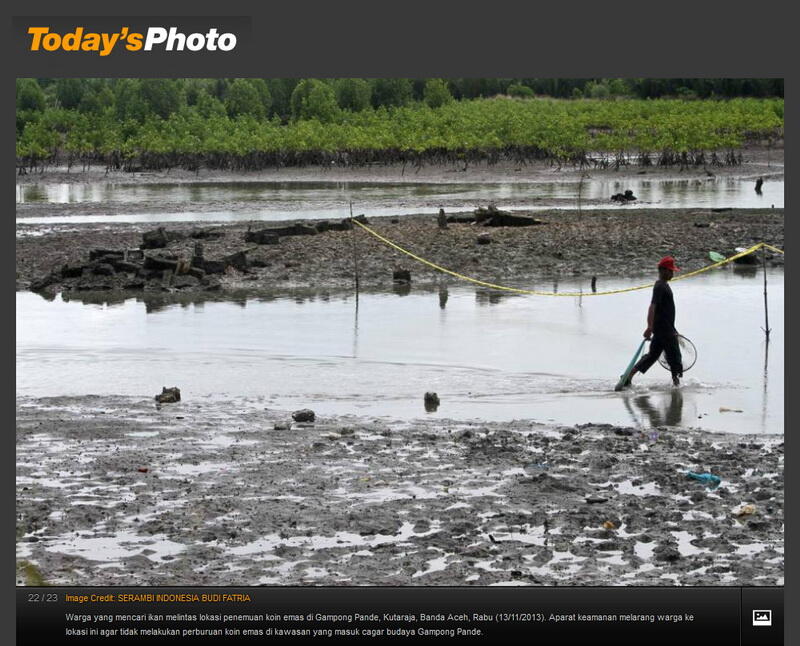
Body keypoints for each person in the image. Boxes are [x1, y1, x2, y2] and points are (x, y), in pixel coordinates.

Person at [617, 256, 683, 390]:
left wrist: (672, 328)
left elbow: (664, 311)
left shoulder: (664, 285)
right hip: (663, 330)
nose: (672, 274)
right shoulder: (660, 286)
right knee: (674, 357)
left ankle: (628, 376)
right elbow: (652, 307)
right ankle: (677, 388)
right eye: (670, 271)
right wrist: (649, 327)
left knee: (652, 355)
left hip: (664, 328)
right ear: (663, 270)